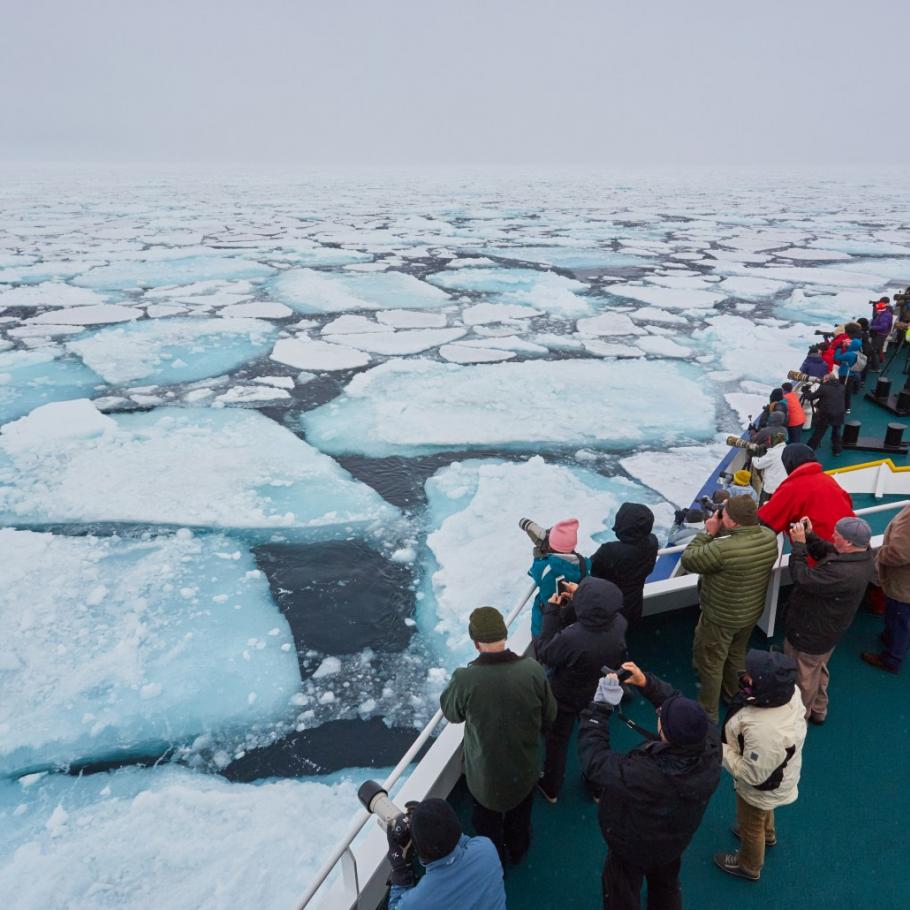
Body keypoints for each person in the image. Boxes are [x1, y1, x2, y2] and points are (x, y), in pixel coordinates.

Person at [578, 662, 721, 910]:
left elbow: (595, 762)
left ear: (666, 733)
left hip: (632, 844)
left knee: (620, 891)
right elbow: (676, 702)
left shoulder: (648, 775)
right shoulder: (710, 743)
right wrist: (645, 681)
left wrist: (599, 709)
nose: (658, 714)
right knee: (666, 884)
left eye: (661, 718)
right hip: (674, 838)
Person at [440, 607, 556, 865]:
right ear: (504, 634)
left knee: (487, 823)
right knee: (520, 816)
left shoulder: (466, 678)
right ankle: (518, 848)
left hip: (485, 776)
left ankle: (495, 861)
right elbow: (551, 713)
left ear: (475, 643)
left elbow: (452, 713)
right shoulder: (532, 669)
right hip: (523, 768)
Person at [681, 496, 780, 722]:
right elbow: (740, 547)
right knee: (736, 654)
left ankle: (708, 713)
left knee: (711, 662)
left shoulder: (721, 549)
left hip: (720, 617)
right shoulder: (768, 537)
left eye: (724, 514)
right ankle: (733, 694)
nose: (720, 515)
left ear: (733, 522)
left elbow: (689, 559)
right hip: (749, 611)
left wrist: (708, 532)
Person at [713, 650, 807, 881]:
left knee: (751, 822)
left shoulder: (764, 731)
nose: (746, 677)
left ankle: (749, 865)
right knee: (764, 809)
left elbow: (751, 774)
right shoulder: (789, 692)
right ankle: (769, 835)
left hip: (761, 786)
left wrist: (721, 750)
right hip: (778, 777)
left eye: (752, 676)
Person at [536, 577, 627, 802]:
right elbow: (596, 620)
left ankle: (551, 787)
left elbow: (545, 653)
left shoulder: (572, 637)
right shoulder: (620, 623)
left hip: (566, 695)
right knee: (594, 738)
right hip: (597, 694)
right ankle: (597, 787)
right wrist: (581, 596)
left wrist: (551, 612)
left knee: (557, 740)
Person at [784, 516, 873, 723]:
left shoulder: (843, 573)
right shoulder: (862, 557)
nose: (832, 536)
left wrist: (798, 546)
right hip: (829, 630)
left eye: (837, 535)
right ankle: (818, 708)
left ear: (849, 543)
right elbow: (829, 551)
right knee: (817, 667)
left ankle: (798, 718)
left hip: (812, 631)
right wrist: (810, 536)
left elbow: (802, 577)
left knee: (803, 677)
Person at [386, 798, 506, 909]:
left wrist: (400, 870)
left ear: (420, 852)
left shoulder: (415, 903)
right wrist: (432, 820)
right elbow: (460, 839)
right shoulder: (486, 849)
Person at [757, 443, 854, 543]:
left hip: (821, 551)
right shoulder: (828, 479)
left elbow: (767, 521)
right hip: (851, 543)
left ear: (788, 464)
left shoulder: (792, 487)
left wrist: (767, 506)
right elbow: (848, 502)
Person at [520, 517, 589, 641]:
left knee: (544, 650)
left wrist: (539, 551)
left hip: (546, 624)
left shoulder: (546, 568)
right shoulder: (585, 564)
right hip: (572, 620)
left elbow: (534, 570)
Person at [590, 503, 659, 626]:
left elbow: (590, 570)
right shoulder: (652, 543)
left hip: (609, 607)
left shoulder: (610, 551)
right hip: (634, 604)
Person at [863, 501, 910, 674]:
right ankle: (891, 638)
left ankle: (892, 658)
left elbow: (900, 553)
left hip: (904, 582)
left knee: (900, 616)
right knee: (900, 615)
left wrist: (878, 555)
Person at [805, 372, 847, 455]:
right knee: (837, 430)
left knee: (819, 431)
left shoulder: (823, 388)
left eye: (823, 379)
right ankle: (837, 450)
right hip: (839, 412)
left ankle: (809, 449)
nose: (822, 380)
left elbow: (811, 397)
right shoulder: (842, 387)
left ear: (827, 380)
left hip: (827, 413)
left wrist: (806, 392)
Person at [750, 431, 787, 502]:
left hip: (771, 488)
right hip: (783, 485)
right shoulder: (786, 448)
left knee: (763, 507)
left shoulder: (773, 453)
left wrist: (753, 456)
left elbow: (758, 464)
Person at [869, 298, 894, 371]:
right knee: (878, 349)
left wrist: (871, 327)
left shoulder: (885, 316)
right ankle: (878, 362)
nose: (876, 310)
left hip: (880, 335)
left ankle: (876, 367)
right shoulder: (884, 313)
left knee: (874, 350)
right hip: (879, 334)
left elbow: (884, 326)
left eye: (877, 309)